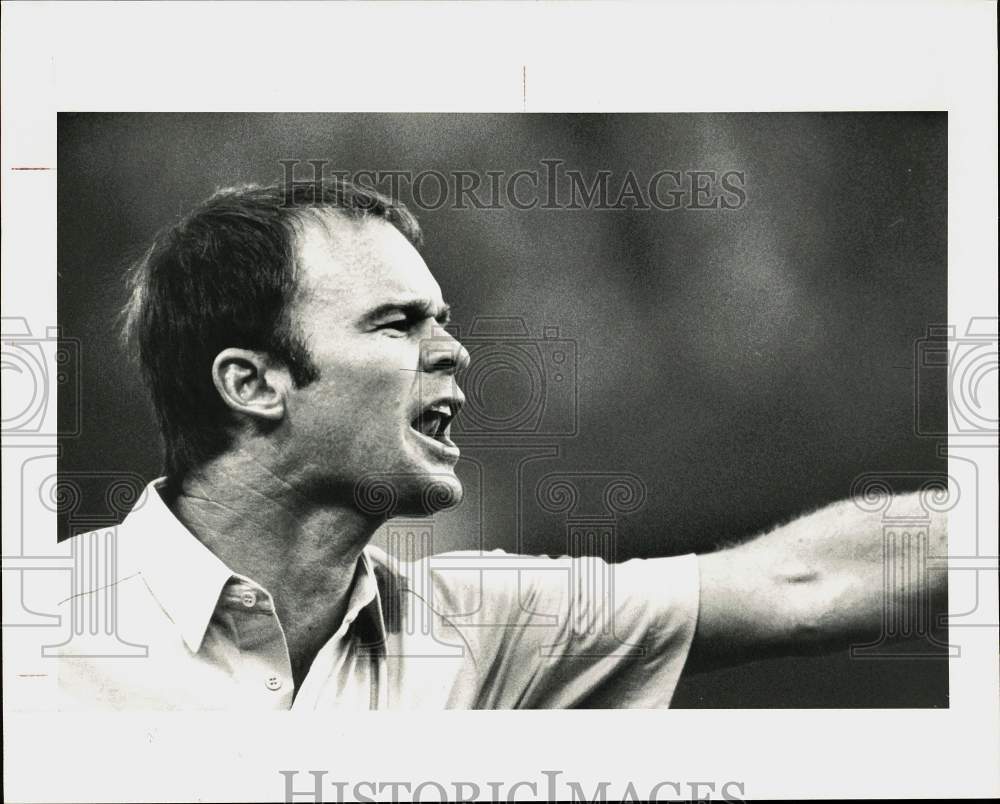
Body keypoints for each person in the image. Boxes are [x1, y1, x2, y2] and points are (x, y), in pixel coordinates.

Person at [56, 178, 947, 710]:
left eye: (442, 318)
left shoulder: (484, 625)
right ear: (252, 384)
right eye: (397, 325)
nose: (453, 349)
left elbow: (813, 584)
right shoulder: (41, 627)